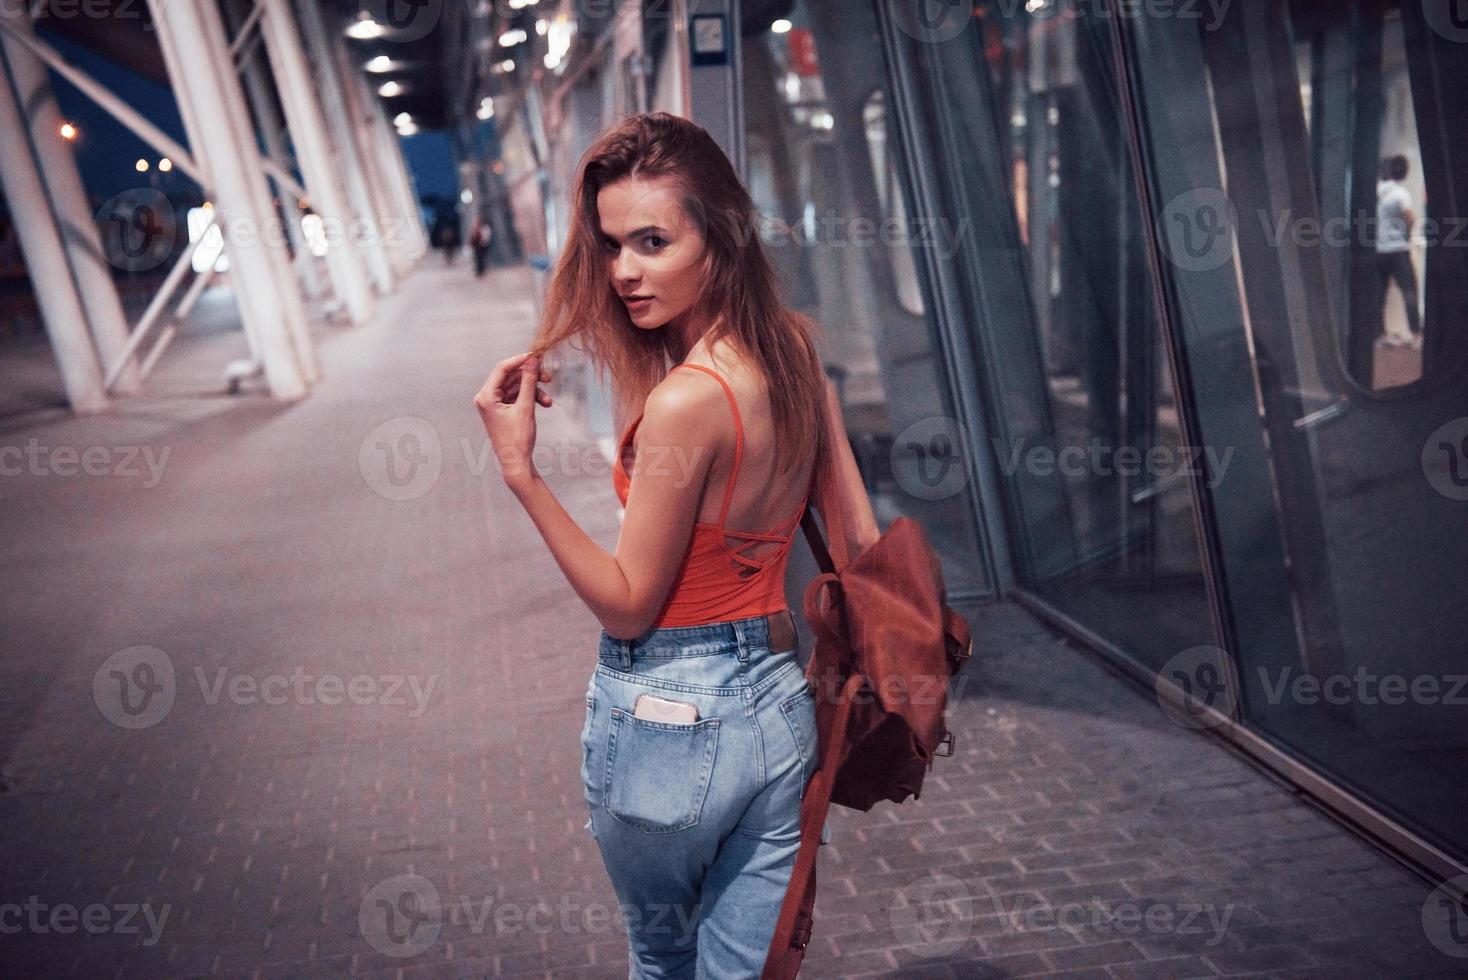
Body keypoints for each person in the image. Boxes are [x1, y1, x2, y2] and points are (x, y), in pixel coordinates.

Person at [472, 111, 879, 977]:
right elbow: (859, 541)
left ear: (721, 235)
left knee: (664, 960)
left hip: (671, 716)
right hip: (777, 705)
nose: (624, 271)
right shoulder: (797, 355)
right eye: (613, 244)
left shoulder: (690, 401)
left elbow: (628, 603)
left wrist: (521, 474)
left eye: (653, 241)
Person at [1375, 154, 1422, 351]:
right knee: (1410, 291)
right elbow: (1409, 218)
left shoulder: (1376, 191)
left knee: (1379, 294)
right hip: (1398, 250)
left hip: (1378, 249)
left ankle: (1381, 335)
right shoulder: (1401, 194)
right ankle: (1416, 334)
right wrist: (1408, 234)